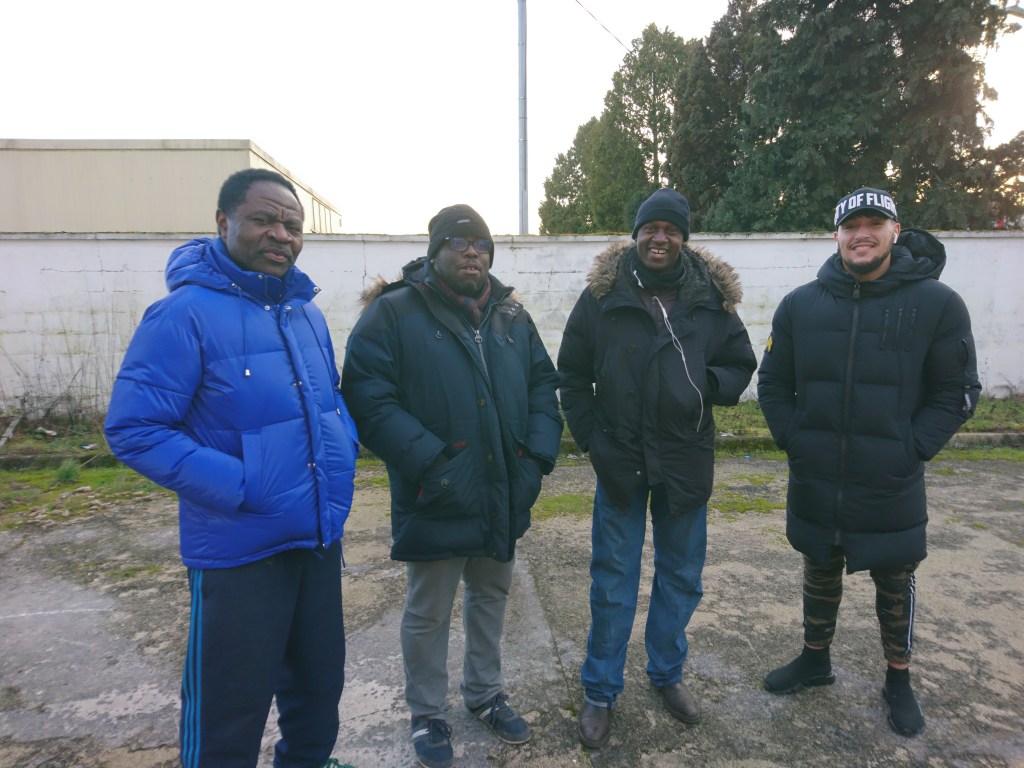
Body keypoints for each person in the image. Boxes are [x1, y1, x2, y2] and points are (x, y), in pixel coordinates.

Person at [104, 169, 359, 768]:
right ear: (224, 222)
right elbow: (135, 429)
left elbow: (329, 400)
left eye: (292, 225)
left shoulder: (305, 312)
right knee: (228, 711)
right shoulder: (182, 315)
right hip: (239, 551)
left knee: (318, 691)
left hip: (317, 538)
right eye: (264, 220)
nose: (281, 235)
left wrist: (343, 447)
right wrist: (242, 484)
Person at [340, 204, 562, 768]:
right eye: (458, 242)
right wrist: (435, 464)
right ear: (435, 251)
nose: (471, 252)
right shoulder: (395, 312)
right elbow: (367, 396)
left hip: (503, 489)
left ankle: (485, 694)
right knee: (429, 610)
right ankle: (427, 713)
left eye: (481, 244)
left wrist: (534, 462)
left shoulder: (511, 317)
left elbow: (543, 386)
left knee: (491, 596)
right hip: (436, 490)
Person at [758, 187, 981, 737]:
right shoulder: (800, 305)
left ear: (895, 232)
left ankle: (898, 679)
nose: (862, 234)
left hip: (890, 477)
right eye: (851, 225)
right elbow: (774, 382)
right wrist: (795, 440)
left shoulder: (937, 304)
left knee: (895, 577)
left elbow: (957, 392)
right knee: (819, 565)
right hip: (817, 473)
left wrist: (912, 448)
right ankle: (815, 659)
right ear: (836, 235)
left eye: (874, 223)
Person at [558, 188, 757, 748]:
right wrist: (593, 441)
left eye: (671, 230)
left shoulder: (710, 299)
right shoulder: (603, 296)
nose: (660, 238)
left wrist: (702, 384)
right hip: (620, 460)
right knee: (613, 582)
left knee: (681, 577)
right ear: (637, 234)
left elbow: (740, 364)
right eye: (651, 229)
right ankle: (601, 690)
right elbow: (571, 374)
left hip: (684, 460)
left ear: (683, 238)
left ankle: (667, 673)